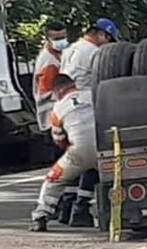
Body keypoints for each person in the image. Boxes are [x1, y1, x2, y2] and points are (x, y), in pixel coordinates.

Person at [59, 17, 118, 226]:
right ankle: (80, 208)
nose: (108, 44)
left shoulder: (71, 49)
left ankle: (66, 207)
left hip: (66, 108)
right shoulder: (94, 53)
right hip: (83, 109)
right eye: (108, 39)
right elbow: (103, 81)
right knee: (92, 160)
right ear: (100, 34)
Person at [29, 75, 96, 232]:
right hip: (106, 148)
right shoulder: (93, 95)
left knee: (52, 180)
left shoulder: (58, 109)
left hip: (78, 152)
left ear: (59, 90)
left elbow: (58, 138)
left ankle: (40, 216)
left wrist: (69, 148)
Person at [31, 20, 80, 223]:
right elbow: (48, 92)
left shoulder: (57, 56)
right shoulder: (49, 62)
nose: (61, 41)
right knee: (65, 165)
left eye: (63, 37)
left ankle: (63, 207)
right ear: (48, 38)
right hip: (52, 119)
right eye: (57, 38)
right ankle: (60, 207)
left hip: (57, 118)